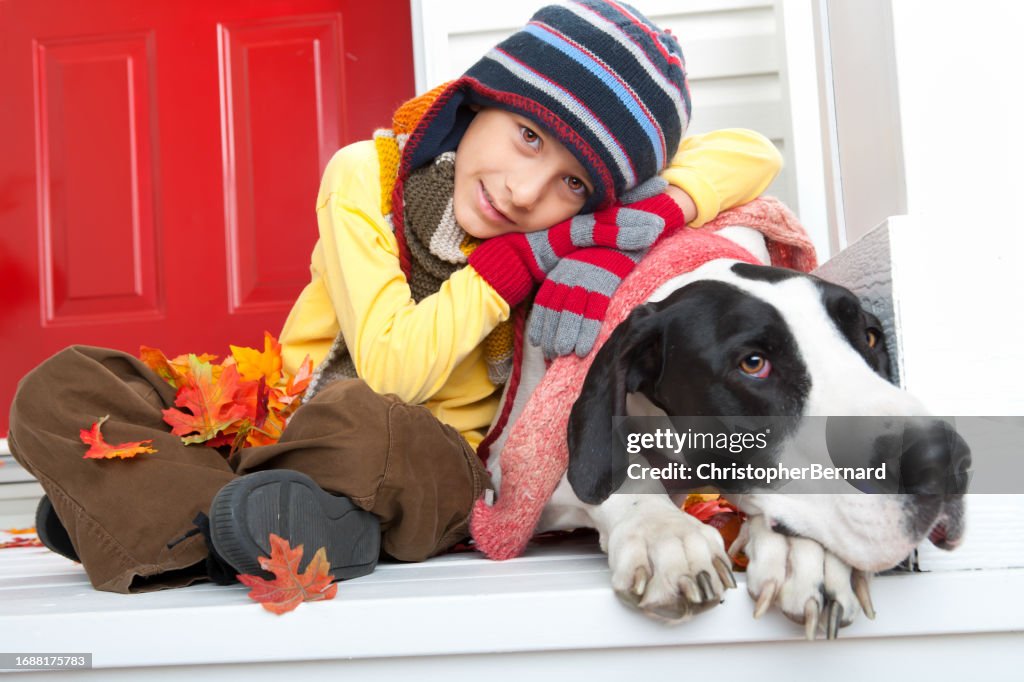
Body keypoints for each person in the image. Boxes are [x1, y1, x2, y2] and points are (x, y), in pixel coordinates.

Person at [8, 0, 783, 593]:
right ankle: (271, 520)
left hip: (427, 459)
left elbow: (751, 153)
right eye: (528, 137)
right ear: (480, 100)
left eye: (570, 184)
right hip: (279, 418)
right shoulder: (365, 178)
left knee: (370, 430)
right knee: (61, 388)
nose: (524, 191)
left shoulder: (572, 233)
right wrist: (515, 263)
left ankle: (162, 518)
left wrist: (627, 217)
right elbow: (385, 354)